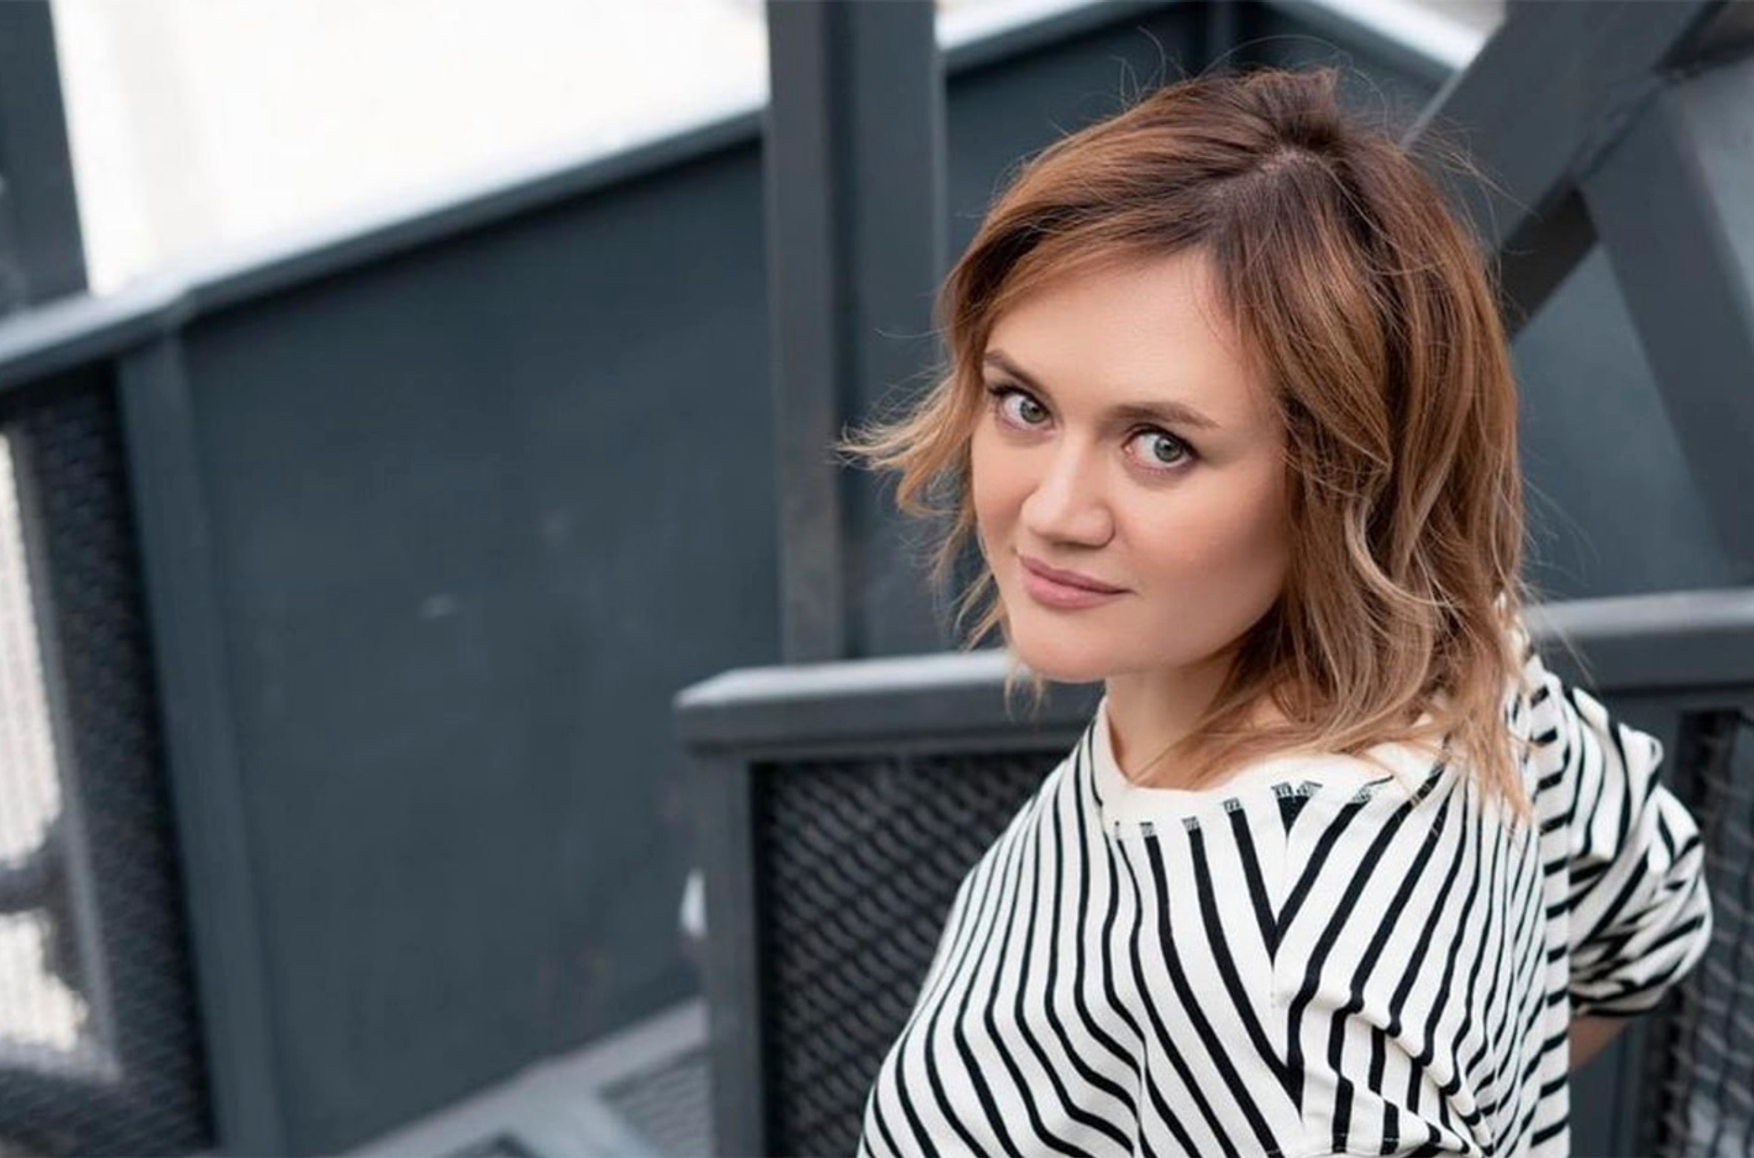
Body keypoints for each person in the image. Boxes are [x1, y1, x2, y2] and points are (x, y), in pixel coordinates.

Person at [834, 64, 1714, 1157]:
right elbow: (1646, 911)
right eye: (1024, 404)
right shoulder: (1458, 657)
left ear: (1342, 481)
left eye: (1161, 445)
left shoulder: (1270, 984)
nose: (1050, 512)